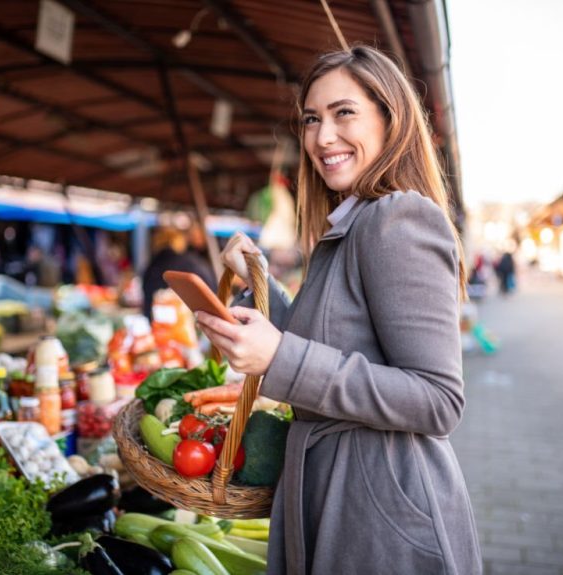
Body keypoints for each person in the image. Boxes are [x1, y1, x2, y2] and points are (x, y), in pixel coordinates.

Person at [196, 46, 481, 574]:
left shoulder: (398, 219)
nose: (322, 136)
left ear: (389, 119)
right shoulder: (351, 226)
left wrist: (279, 356)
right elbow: (329, 344)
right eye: (311, 118)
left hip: (381, 511)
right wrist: (252, 285)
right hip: (340, 492)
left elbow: (438, 399)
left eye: (343, 112)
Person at [142, 226, 215, 320]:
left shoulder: (151, 265)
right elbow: (211, 290)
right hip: (186, 320)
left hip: (156, 321)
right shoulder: (190, 262)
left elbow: (146, 296)